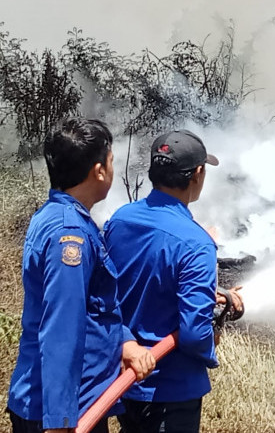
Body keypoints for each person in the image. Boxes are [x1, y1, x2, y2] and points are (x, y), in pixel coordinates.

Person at [7, 117, 155, 433]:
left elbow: (93, 308)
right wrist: (60, 420)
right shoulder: (69, 234)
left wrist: (125, 343)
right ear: (99, 170)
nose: (113, 170)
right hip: (64, 412)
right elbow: (63, 326)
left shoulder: (60, 216)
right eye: (112, 161)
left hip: (76, 403)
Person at [104, 129, 243, 433]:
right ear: (197, 174)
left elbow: (116, 290)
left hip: (125, 380)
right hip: (170, 391)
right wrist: (212, 338)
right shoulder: (196, 243)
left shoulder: (120, 220)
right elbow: (193, 334)